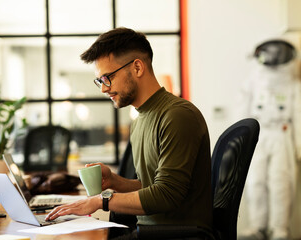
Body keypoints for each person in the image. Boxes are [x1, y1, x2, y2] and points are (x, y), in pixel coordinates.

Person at [45, 27, 213, 238]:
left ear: (137, 67)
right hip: (149, 231)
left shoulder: (177, 115)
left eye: (107, 78)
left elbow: (167, 195)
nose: (103, 89)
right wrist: (116, 182)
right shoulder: (142, 119)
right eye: (100, 81)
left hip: (172, 235)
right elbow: (152, 186)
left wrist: (100, 201)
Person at [239, 39, 301, 240]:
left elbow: (299, 112)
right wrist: (242, 139)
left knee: (280, 182)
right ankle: (258, 226)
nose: (275, 57)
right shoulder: (252, 81)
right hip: (257, 134)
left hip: (281, 134)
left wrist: (299, 142)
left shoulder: (293, 84)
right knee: (255, 181)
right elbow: (242, 108)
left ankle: (280, 229)